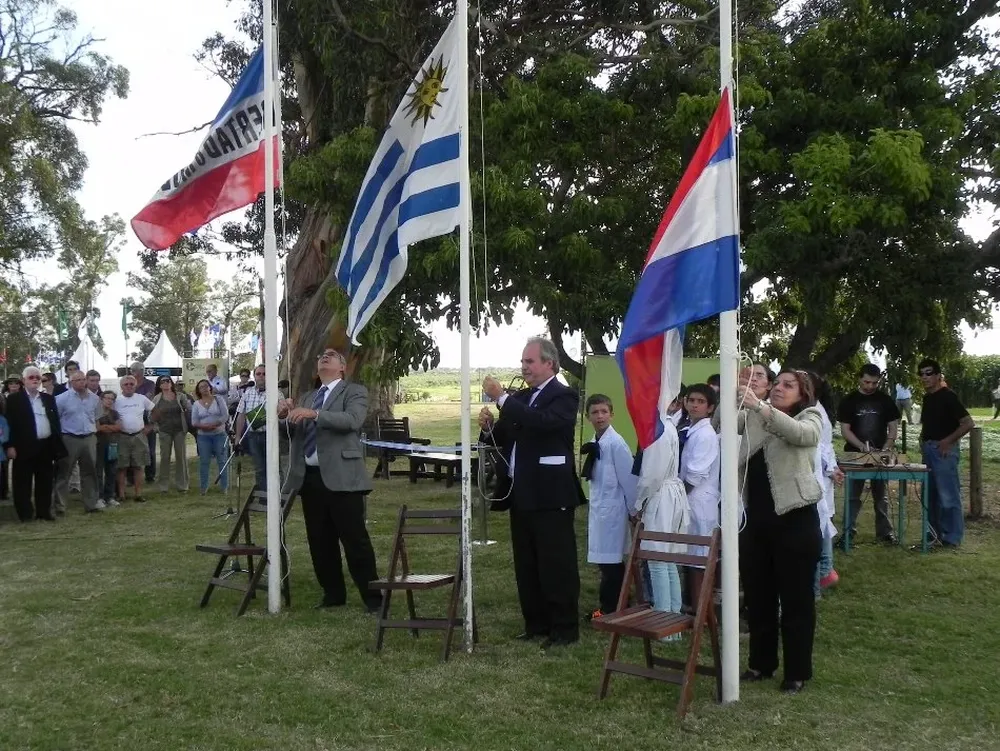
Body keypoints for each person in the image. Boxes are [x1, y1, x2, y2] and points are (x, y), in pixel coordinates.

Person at [479, 337, 586, 649]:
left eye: (530, 362)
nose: (524, 367)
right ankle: (535, 623)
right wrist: (487, 427)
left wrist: (502, 399)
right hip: (521, 491)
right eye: (523, 362)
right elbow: (503, 434)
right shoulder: (521, 398)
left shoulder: (564, 396)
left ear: (549, 364)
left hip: (551, 493)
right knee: (527, 563)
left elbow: (543, 424)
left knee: (556, 563)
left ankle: (564, 628)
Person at [737, 369, 823, 694]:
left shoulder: (810, 416)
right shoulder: (756, 415)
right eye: (777, 383)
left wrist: (759, 407)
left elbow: (803, 435)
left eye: (789, 385)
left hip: (796, 520)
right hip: (756, 522)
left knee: (796, 600)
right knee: (759, 597)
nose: (779, 388)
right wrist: (735, 391)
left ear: (803, 393)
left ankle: (796, 672)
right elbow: (722, 424)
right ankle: (761, 664)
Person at [279, 349, 381, 612]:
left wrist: (314, 414)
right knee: (319, 540)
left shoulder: (353, 391)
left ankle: (373, 598)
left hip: (343, 477)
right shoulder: (307, 396)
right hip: (310, 478)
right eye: (321, 355)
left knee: (354, 539)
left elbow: (352, 420)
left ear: (342, 367)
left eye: (332, 355)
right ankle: (333, 594)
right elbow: (292, 433)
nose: (324, 356)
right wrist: (284, 417)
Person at [632, 414, 689, 638]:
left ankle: (664, 624)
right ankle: (673, 623)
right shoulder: (668, 424)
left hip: (660, 495)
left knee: (657, 559)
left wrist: (639, 503)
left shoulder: (657, 427)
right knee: (668, 560)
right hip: (670, 493)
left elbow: (651, 474)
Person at [580, 394, 636, 618]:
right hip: (601, 510)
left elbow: (629, 481)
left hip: (613, 512)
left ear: (612, 414)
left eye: (604, 412)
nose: (600, 416)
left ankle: (611, 607)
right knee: (606, 561)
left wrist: (634, 511)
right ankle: (618, 603)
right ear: (588, 417)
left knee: (611, 562)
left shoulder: (616, 444)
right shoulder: (597, 442)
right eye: (595, 412)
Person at [836, 364, 899, 544]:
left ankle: (885, 533)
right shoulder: (849, 400)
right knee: (853, 496)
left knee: (881, 496)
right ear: (859, 379)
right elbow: (845, 430)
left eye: (874, 383)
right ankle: (848, 532)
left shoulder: (885, 400)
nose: (870, 386)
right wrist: (861, 446)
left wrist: (887, 446)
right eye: (866, 382)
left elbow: (893, 427)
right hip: (855, 455)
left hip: (880, 454)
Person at [918, 359, 973, 547]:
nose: (924, 377)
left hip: (944, 452)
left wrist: (947, 441)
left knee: (948, 495)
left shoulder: (948, 396)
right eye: (922, 374)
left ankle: (952, 537)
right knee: (929, 495)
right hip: (928, 450)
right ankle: (933, 534)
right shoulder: (927, 398)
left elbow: (968, 423)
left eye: (928, 373)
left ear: (938, 375)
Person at [3, 366, 66, 521]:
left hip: (45, 446)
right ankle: (25, 514)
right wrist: (9, 446)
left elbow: (55, 422)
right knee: (22, 482)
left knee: (45, 481)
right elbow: (8, 424)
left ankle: (43, 512)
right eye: (31, 377)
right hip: (23, 447)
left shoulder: (48, 398)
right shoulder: (13, 399)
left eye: (38, 377)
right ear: (23, 380)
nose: (35, 380)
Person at [680, 384, 720, 608]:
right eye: (691, 400)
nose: (694, 405)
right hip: (692, 501)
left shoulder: (705, 435)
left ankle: (701, 610)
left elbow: (695, 475)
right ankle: (692, 605)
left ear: (710, 408)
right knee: (689, 554)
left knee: (698, 558)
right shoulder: (691, 429)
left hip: (698, 500)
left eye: (700, 402)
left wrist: (677, 500)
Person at [808, 373, 843, 597]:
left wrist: (832, 469)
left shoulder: (816, 414)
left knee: (819, 527)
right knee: (821, 525)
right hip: (817, 474)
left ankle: (824, 572)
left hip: (817, 477)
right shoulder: (811, 411)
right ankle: (825, 570)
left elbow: (823, 450)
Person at [54, 370, 103, 513]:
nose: (82, 382)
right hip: (69, 438)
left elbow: (97, 418)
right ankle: (60, 506)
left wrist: (95, 437)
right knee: (64, 473)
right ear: (71, 382)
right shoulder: (61, 399)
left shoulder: (94, 399)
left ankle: (91, 504)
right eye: (78, 380)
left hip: (89, 438)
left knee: (90, 473)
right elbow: (56, 419)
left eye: (83, 379)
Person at [235, 365, 281, 492]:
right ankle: (263, 497)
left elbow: (283, 415)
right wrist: (238, 437)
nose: (261, 376)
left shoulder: (277, 393)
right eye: (258, 374)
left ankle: (277, 497)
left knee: (274, 467)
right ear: (254, 376)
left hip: (271, 435)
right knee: (259, 467)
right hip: (253, 436)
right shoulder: (247, 393)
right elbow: (241, 416)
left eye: (264, 374)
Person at [115, 375, 155, 503]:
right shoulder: (116, 400)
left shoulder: (141, 399)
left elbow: (156, 410)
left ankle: (138, 494)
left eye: (131, 384)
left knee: (139, 466)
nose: (129, 386)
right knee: (122, 467)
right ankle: (121, 495)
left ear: (135, 385)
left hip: (139, 436)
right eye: (126, 384)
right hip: (122, 436)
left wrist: (150, 426)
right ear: (121, 386)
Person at [150, 376, 191, 493]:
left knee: (181, 457)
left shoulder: (180, 396)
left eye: (168, 381)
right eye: (163, 381)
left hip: (179, 430)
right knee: (164, 458)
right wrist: (155, 425)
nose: (166, 383)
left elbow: (189, 408)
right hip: (164, 430)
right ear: (159, 385)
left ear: (171, 383)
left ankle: (182, 485)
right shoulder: (156, 399)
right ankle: (163, 486)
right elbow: (151, 416)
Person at [190, 379, 230, 495]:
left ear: (210, 387)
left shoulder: (218, 399)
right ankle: (204, 487)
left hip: (219, 434)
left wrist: (215, 424)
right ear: (198, 390)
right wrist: (204, 426)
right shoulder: (196, 404)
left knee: (222, 460)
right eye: (201, 387)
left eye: (206, 386)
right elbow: (194, 421)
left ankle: (224, 486)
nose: (204, 389)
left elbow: (225, 415)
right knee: (204, 461)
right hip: (203, 436)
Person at [132, 362, 157, 484]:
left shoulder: (150, 384)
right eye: (133, 370)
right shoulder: (130, 383)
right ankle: (131, 478)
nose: (135, 373)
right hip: (133, 418)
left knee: (150, 449)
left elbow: (148, 398)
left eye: (137, 370)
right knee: (132, 449)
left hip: (147, 417)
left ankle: (150, 475)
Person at [95, 391, 122, 506]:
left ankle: (110, 496)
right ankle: (99, 497)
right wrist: (109, 427)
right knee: (98, 471)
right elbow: (96, 428)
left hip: (112, 445)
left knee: (111, 471)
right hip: (98, 445)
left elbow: (118, 427)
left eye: (112, 399)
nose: (109, 401)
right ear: (102, 399)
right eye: (107, 398)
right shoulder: (96, 413)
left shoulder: (114, 413)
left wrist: (104, 427)